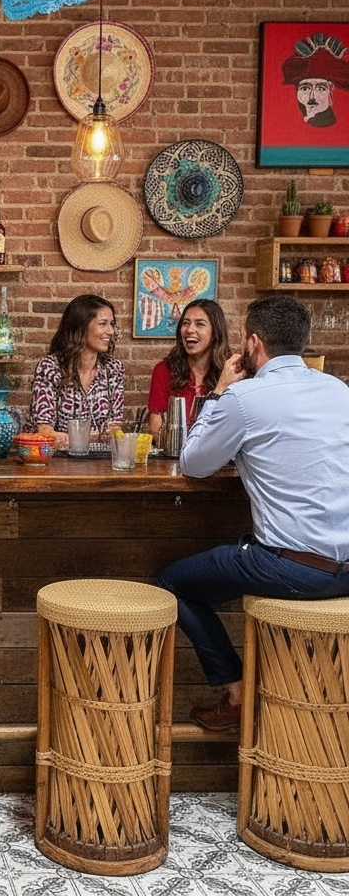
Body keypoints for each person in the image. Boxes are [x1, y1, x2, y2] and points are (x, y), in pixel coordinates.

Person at [157, 295, 349, 731]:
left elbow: (194, 463)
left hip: (295, 569)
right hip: (347, 570)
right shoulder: (338, 391)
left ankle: (237, 691)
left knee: (173, 584)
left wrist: (221, 390)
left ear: (254, 344)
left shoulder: (244, 397)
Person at [29, 294, 124, 447]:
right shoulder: (50, 367)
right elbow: (44, 430)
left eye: (112, 324)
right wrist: (93, 437)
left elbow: (114, 429)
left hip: (100, 462)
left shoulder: (113, 368)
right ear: (81, 326)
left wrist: (73, 438)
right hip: (59, 461)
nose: (111, 331)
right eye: (103, 324)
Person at [146, 299, 231, 441]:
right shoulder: (164, 370)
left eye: (199, 324)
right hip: (174, 457)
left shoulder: (230, 371)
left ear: (215, 333)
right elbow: (155, 429)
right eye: (185, 323)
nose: (190, 330)